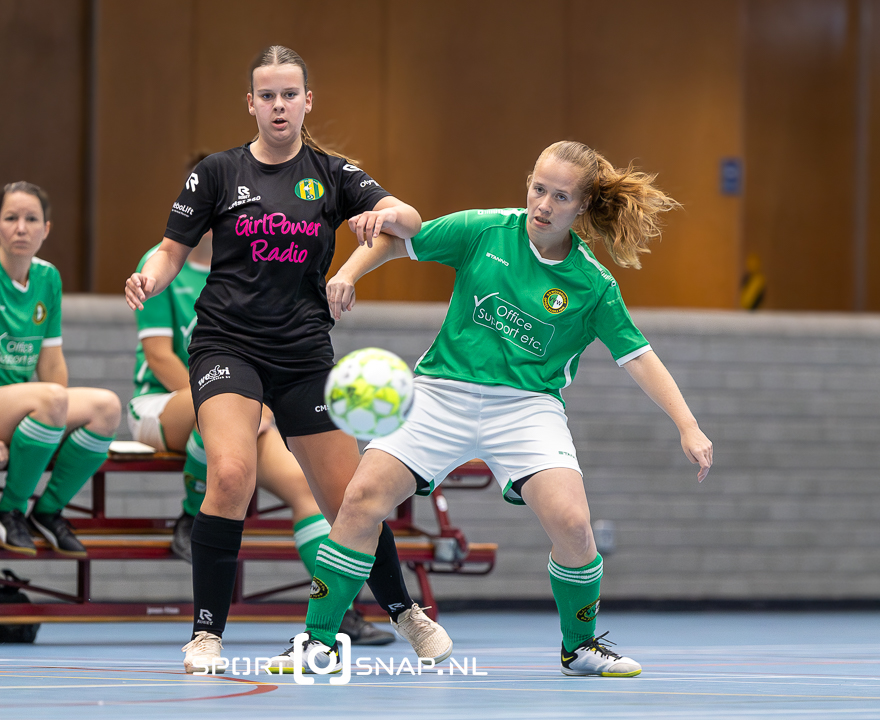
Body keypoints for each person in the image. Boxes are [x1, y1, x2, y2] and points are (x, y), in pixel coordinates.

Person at [286, 140, 714, 677]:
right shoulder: (485, 230)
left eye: (560, 196)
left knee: (574, 525)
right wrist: (348, 273)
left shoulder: (593, 285)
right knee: (361, 499)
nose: (543, 205)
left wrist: (688, 425)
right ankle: (317, 640)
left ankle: (578, 646)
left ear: (581, 207)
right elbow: (399, 240)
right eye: (538, 188)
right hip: (441, 392)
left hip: (528, 408)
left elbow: (639, 357)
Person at [126, 45, 450, 673]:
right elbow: (170, 250)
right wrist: (151, 277)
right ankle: (206, 635)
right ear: (250, 103)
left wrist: (380, 214)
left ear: (307, 101)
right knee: (228, 475)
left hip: (303, 353)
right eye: (266, 95)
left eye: (289, 94)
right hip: (227, 344)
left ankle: (405, 612)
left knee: (349, 499)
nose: (278, 105)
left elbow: (408, 220)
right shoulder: (217, 173)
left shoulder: (333, 173)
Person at [128, 224, 392, 645]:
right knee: (215, 415)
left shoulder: (256, 265)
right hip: (163, 405)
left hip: (249, 414)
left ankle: (338, 611)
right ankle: (192, 510)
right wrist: (234, 402)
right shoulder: (162, 263)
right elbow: (159, 356)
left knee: (304, 488)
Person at [0, 182, 122, 558]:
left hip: (15, 404)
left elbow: (51, 362)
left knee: (107, 407)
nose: (21, 228)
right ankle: (9, 510)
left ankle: (47, 512)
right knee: (49, 398)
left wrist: (60, 417)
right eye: (11, 218)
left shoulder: (48, 278)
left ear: (46, 228)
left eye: (31, 219)